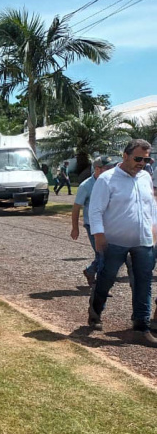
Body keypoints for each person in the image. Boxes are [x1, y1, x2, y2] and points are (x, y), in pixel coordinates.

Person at [87, 139, 157, 345]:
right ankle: (95, 311)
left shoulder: (145, 177)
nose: (141, 163)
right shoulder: (107, 179)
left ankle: (141, 327)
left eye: (146, 159)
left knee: (143, 282)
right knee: (107, 279)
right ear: (125, 155)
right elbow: (96, 210)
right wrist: (99, 234)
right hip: (114, 242)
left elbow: (150, 207)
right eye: (137, 158)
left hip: (143, 241)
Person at [71, 155, 118, 286]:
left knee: (107, 254)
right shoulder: (86, 186)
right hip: (92, 225)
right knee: (103, 254)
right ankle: (102, 286)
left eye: (112, 167)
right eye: (107, 168)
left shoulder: (111, 182)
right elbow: (76, 208)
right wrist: (75, 228)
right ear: (97, 169)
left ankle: (90, 271)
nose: (111, 170)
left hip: (109, 225)